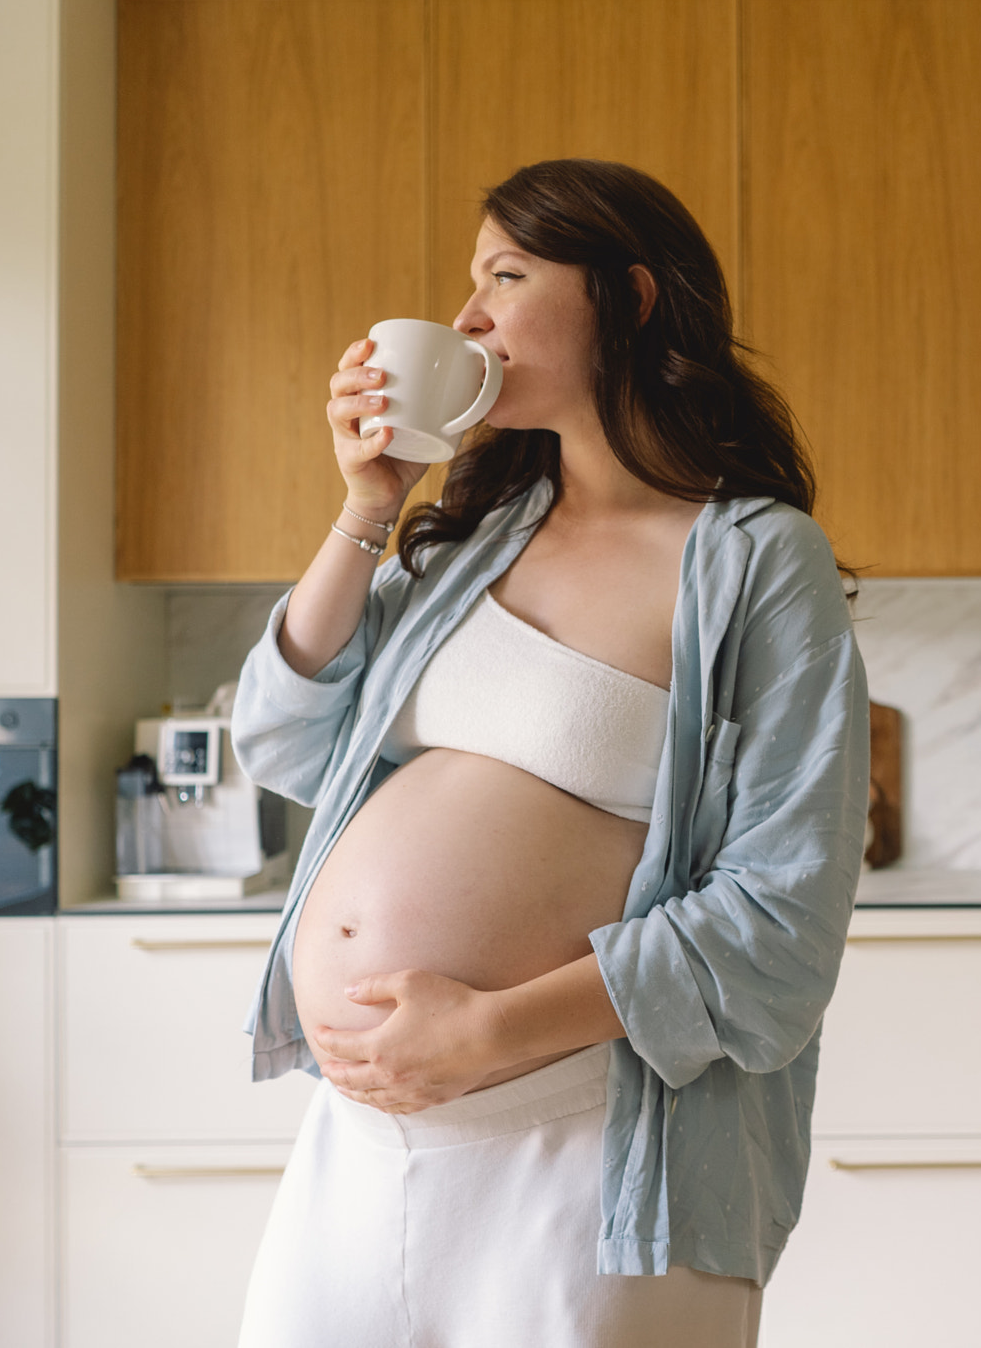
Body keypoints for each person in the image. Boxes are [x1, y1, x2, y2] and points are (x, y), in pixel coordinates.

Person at [230, 158, 869, 1348]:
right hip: (359, 1144)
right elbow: (282, 739)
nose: (466, 317)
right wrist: (366, 505)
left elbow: (779, 926)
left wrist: (485, 1033)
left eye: (506, 276)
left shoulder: (750, 561)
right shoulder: (472, 541)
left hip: (587, 1152)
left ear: (626, 300)